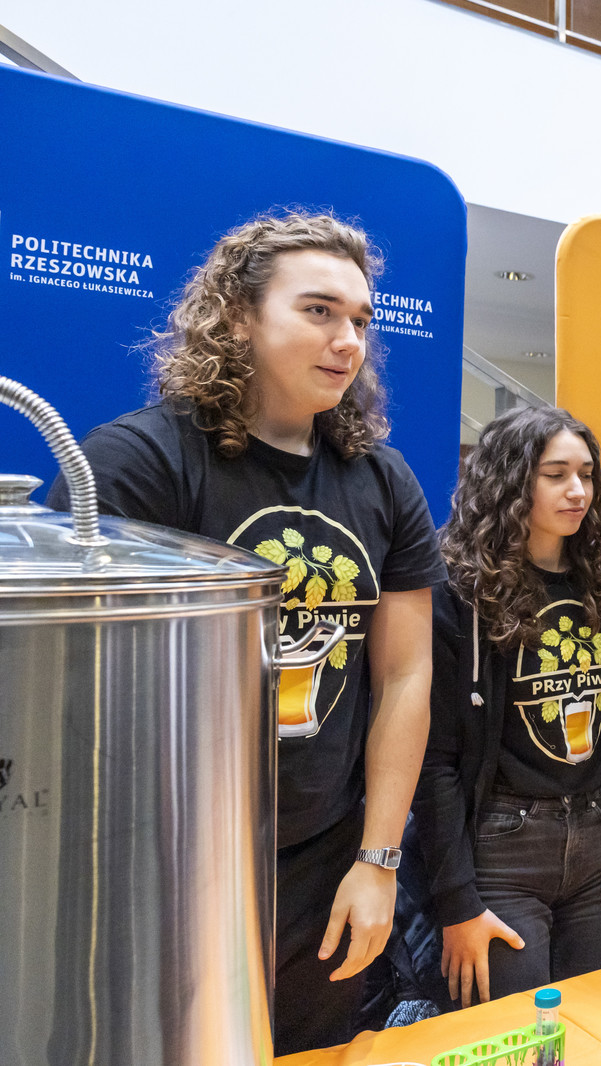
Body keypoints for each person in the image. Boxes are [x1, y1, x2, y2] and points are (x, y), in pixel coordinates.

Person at [48, 213, 443, 1055]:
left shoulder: (383, 479)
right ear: (237, 316)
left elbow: (406, 677)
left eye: (360, 320)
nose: (348, 341)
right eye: (318, 311)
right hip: (161, 863)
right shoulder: (140, 462)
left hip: (324, 859)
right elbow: (73, 694)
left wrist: (378, 861)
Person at [413, 404, 601, 1007]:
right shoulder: (459, 584)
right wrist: (457, 901)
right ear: (511, 481)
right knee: (514, 1037)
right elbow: (434, 760)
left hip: (599, 838)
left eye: (587, 475)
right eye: (556, 475)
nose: (578, 492)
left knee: (599, 1022)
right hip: (500, 848)